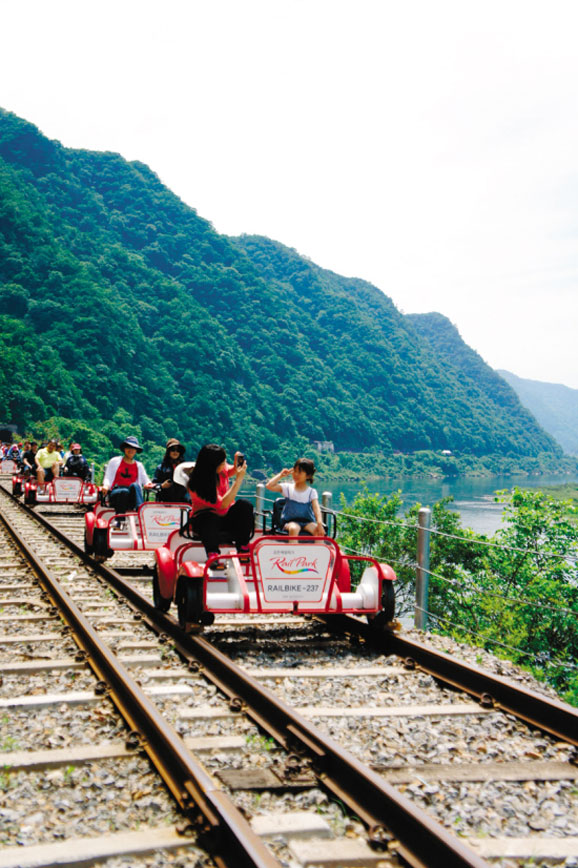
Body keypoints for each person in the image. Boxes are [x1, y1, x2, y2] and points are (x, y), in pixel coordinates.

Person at [186, 443, 253, 563]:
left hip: (224, 518)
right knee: (209, 517)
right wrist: (238, 481)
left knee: (245, 505)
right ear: (212, 466)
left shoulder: (220, 470)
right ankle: (213, 553)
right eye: (222, 462)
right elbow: (222, 504)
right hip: (205, 523)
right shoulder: (197, 485)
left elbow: (231, 470)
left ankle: (243, 547)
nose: (224, 465)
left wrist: (236, 464)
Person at [266, 458, 324, 537]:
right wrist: (280, 475)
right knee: (294, 528)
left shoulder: (311, 492)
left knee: (317, 531)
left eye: (299, 472)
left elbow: (316, 509)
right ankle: (293, 548)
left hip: (307, 522)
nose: (295, 474)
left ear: (308, 475)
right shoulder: (287, 488)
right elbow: (269, 486)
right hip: (290, 522)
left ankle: (318, 549)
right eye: (295, 471)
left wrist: (319, 524)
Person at [101, 436, 154, 515]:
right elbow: (108, 477)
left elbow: (146, 480)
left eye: (133, 448)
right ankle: (119, 519)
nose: (131, 450)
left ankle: (140, 509)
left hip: (131, 496)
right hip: (117, 493)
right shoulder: (114, 461)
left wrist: (148, 484)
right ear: (124, 449)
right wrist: (106, 486)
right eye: (128, 447)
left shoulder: (139, 465)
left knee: (135, 485)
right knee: (124, 491)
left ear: (136, 450)